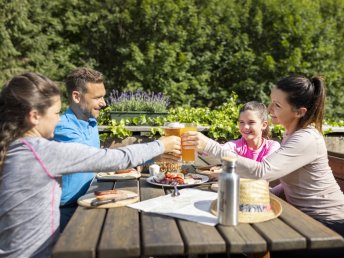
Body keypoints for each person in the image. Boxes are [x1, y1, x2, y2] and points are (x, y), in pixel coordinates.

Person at [0, 72, 181, 258]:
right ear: (34, 116)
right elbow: (110, 158)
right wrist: (161, 144)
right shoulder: (40, 152)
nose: (58, 119)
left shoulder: (20, 149)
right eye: (55, 113)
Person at [185, 75, 344, 238]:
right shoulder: (291, 134)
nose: (269, 109)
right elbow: (291, 182)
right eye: (271, 101)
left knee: (237, 237)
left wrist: (211, 146)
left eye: (277, 105)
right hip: (303, 218)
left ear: (299, 112)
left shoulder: (306, 138)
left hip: (329, 226)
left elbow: (262, 171)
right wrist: (263, 195)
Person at [53, 67, 106, 231]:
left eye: (103, 96)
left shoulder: (91, 121)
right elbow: (96, 159)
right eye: (97, 97)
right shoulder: (63, 129)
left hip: (89, 200)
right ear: (76, 96)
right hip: (66, 212)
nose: (104, 103)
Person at [201, 101, 280, 162]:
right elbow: (210, 153)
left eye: (251, 122)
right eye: (242, 122)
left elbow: (262, 170)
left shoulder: (273, 147)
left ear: (264, 125)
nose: (245, 127)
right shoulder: (234, 146)